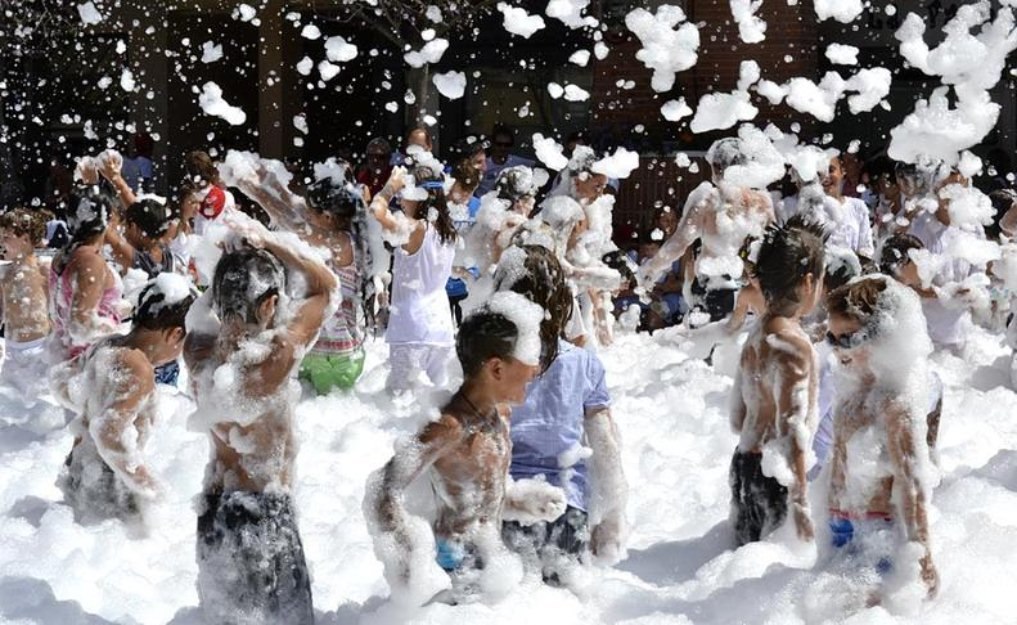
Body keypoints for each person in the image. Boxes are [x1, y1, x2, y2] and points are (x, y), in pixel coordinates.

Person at [364, 294, 565, 603]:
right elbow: (381, 489)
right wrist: (409, 558)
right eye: (527, 362)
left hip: (492, 564)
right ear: (496, 368)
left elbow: (478, 493)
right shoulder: (449, 427)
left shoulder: (498, 419)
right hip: (454, 572)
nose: (535, 368)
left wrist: (521, 502)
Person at [183, 233, 337, 624]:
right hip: (265, 519)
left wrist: (226, 275)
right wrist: (270, 240)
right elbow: (325, 287)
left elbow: (206, 311)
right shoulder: (275, 358)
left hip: (215, 515)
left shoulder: (198, 351)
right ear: (270, 304)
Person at [496, 245, 628, 583]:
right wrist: (612, 517)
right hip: (567, 504)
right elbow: (606, 445)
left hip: (506, 502)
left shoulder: (492, 365)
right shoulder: (583, 362)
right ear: (561, 302)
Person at [824, 276, 939, 598]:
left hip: (877, 529)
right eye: (831, 338)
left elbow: (912, 483)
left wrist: (923, 559)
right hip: (839, 522)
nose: (837, 349)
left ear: (879, 338)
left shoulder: (894, 403)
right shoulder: (852, 388)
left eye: (847, 339)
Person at [51, 274, 194, 524]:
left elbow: (61, 380)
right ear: (175, 334)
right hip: (109, 484)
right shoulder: (139, 367)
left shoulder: (106, 345)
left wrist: (90, 406)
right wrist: (151, 487)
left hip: (79, 468)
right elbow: (109, 432)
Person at [729, 216, 826, 545]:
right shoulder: (792, 345)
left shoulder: (757, 333)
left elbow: (737, 416)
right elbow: (792, 428)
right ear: (808, 282)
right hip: (775, 475)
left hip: (745, 463)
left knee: (745, 567)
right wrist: (801, 504)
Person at [640, 137, 776, 323]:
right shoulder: (762, 201)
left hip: (715, 290)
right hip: (755, 292)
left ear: (717, 167)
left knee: (711, 348)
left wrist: (650, 269)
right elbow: (775, 248)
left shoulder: (708, 199)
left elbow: (678, 243)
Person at [370, 162, 458, 392]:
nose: (400, 199)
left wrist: (389, 186)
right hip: (441, 329)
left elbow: (376, 211)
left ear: (420, 196)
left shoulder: (415, 228)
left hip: (411, 329)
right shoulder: (448, 230)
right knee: (436, 403)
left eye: (404, 193)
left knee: (400, 409)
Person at [48, 187, 126, 363]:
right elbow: (80, 326)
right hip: (90, 364)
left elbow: (62, 312)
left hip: (68, 358)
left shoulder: (65, 255)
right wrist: (122, 336)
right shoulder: (90, 262)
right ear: (108, 217)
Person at [0, 208, 52, 403]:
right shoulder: (3, 273)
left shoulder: (43, 269)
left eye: (7, 236)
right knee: (9, 406)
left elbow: (57, 308)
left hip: (40, 346)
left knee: (39, 404)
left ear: (26, 239)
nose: (2, 241)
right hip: (12, 349)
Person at [475, 125, 535, 196]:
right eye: (499, 144)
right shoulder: (483, 164)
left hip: (508, 203)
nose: (503, 148)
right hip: (482, 203)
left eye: (507, 145)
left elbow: (538, 169)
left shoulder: (518, 162)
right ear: (493, 145)